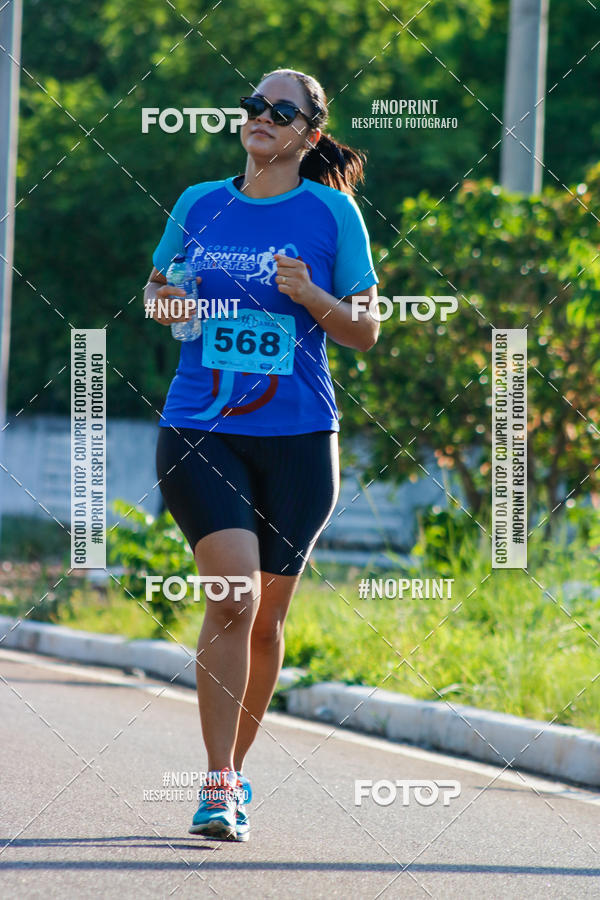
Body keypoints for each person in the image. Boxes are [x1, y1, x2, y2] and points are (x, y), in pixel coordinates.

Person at [144, 67, 379, 841]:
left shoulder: (332, 212)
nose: (261, 117)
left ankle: (235, 773)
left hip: (302, 438)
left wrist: (312, 297)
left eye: (283, 111)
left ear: (310, 133)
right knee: (233, 597)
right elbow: (155, 290)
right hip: (201, 426)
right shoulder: (199, 203)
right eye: (253, 105)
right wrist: (167, 300)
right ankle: (216, 784)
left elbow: (365, 329)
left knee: (268, 620)